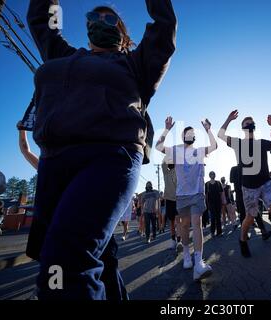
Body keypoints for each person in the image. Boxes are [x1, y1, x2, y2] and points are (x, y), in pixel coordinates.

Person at [25, 0, 177, 300]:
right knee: (101, 259)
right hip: (55, 163)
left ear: (121, 33)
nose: (99, 21)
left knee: (63, 259)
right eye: (93, 17)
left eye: (109, 19)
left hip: (110, 158)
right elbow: (44, 22)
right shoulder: (63, 54)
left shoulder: (136, 63)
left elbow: (163, 29)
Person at [219, 110, 271, 277]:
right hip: (249, 187)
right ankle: (242, 239)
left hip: (266, 183)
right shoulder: (238, 143)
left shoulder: (262, 143)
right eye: (246, 124)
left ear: (254, 127)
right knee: (250, 217)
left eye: (251, 123)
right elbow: (220, 134)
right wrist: (229, 119)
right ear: (243, 129)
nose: (249, 125)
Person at [156, 116, 217, 281]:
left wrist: (208, 129)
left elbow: (214, 145)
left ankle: (199, 263)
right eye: (186, 133)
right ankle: (186, 254)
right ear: (183, 137)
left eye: (192, 133)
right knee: (184, 225)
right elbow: (158, 146)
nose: (189, 135)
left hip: (197, 194)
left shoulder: (199, 152)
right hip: (182, 196)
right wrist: (167, 128)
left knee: (196, 223)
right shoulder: (176, 151)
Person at [162, 159, 182, 250]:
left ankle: (179, 241)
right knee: (172, 222)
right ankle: (173, 241)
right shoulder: (166, 172)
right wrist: (168, 154)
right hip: (169, 200)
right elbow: (163, 163)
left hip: (178, 199)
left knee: (178, 220)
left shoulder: (178, 171)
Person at [205, 171, 224, 237]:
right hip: (211, 203)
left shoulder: (218, 183)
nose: (212, 175)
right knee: (213, 218)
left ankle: (219, 232)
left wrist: (223, 202)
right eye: (211, 174)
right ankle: (212, 232)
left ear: (215, 175)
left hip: (218, 202)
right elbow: (206, 195)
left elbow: (221, 193)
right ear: (209, 175)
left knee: (218, 217)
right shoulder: (207, 184)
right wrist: (206, 204)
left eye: (213, 174)